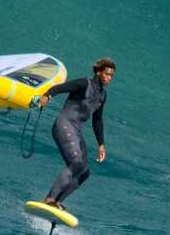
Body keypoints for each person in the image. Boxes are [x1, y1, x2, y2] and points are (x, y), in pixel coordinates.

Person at [36, 58, 115, 209]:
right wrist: (47, 96)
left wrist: (101, 144)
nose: (109, 78)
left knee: (84, 172)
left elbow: (97, 120)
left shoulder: (102, 95)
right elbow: (60, 88)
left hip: (76, 130)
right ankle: (49, 199)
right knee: (76, 163)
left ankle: (57, 202)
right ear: (99, 72)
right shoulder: (84, 83)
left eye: (111, 76)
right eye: (107, 74)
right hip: (64, 124)